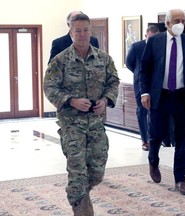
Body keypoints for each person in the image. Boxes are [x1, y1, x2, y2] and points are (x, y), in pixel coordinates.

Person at [44, 14, 119, 215]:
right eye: (78, 30)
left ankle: (78, 192)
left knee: (97, 171)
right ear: (71, 32)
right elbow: (49, 87)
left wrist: (105, 101)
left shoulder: (103, 59)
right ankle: (81, 205)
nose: (82, 34)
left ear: (90, 31)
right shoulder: (60, 61)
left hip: (96, 124)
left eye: (85, 30)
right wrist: (71, 101)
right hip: (72, 125)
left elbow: (113, 82)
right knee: (77, 172)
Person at [139, 9, 185, 195]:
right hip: (160, 95)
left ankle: (180, 179)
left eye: (183, 21)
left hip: (181, 96)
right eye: (176, 20)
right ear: (167, 23)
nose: (180, 24)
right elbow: (145, 69)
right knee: (157, 134)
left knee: (182, 138)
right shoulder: (155, 41)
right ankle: (153, 160)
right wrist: (144, 93)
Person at [126, 24, 160, 151]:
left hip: (156, 84)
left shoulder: (161, 47)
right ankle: (145, 140)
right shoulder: (137, 47)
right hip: (140, 83)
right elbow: (129, 63)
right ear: (146, 36)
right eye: (150, 38)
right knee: (142, 110)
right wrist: (139, 73)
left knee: (157, 110)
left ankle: (157, 138)